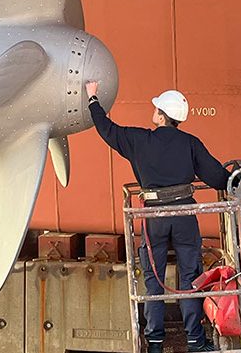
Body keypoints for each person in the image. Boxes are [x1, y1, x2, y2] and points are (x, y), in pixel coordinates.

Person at [85, 81, 230, 353]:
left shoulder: (140, 140)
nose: (153, 110)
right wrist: (235, 177)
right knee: (190, 279)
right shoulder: (191, 143)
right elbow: (217, 177)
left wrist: (93, 99)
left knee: (154, 280)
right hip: (185, 215)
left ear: (162, 115)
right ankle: (196, 341)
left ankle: (154, 342)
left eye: (156, 108)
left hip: (154, 217)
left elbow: (107, 130)